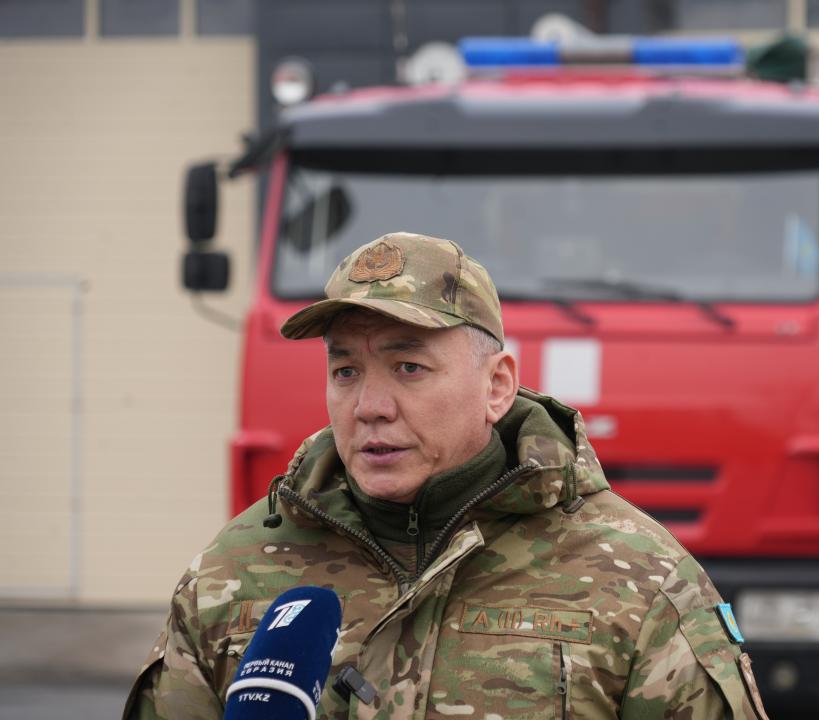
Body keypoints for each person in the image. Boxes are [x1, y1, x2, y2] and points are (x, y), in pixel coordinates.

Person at [124, 231, 770, 719]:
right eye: (346, 371)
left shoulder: (643, 580)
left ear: (497, 386)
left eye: (408, 367)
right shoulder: (231, 572)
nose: (369, 406)